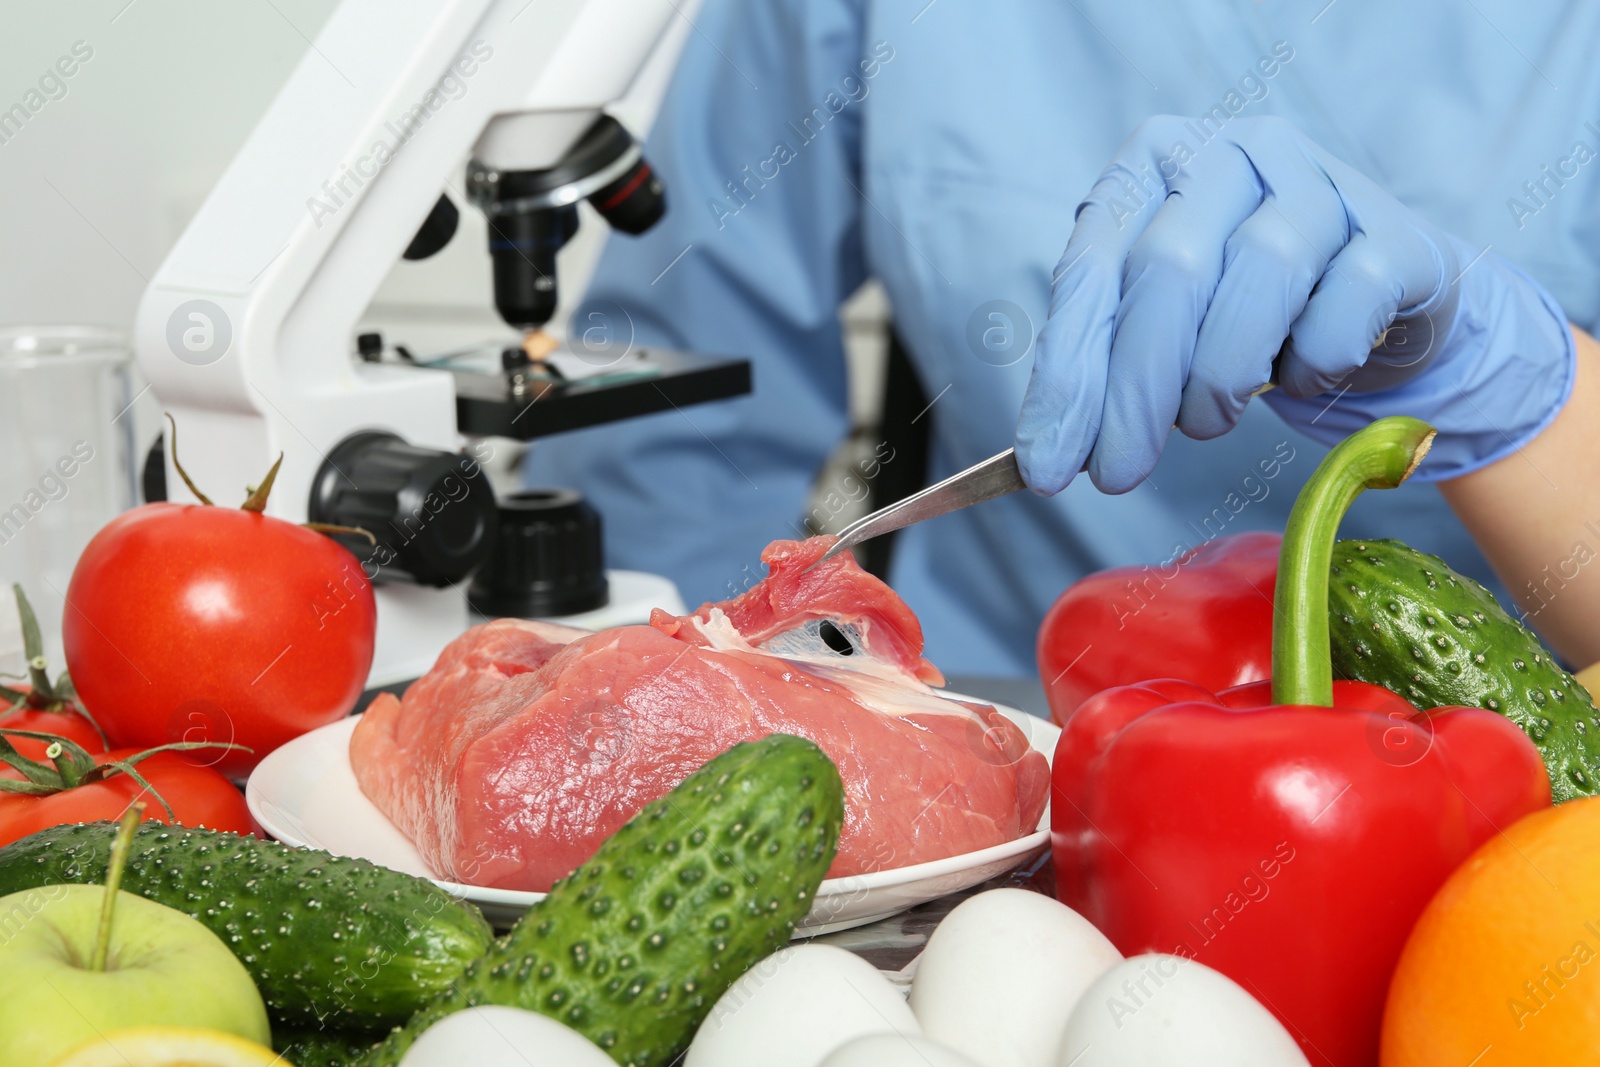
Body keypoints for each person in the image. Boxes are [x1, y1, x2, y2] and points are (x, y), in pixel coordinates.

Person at [526, 0, 1600, 681]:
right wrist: (706, 712)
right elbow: (674, 417)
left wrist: (1501, 381)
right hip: (999, 738)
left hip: (1502, 792)